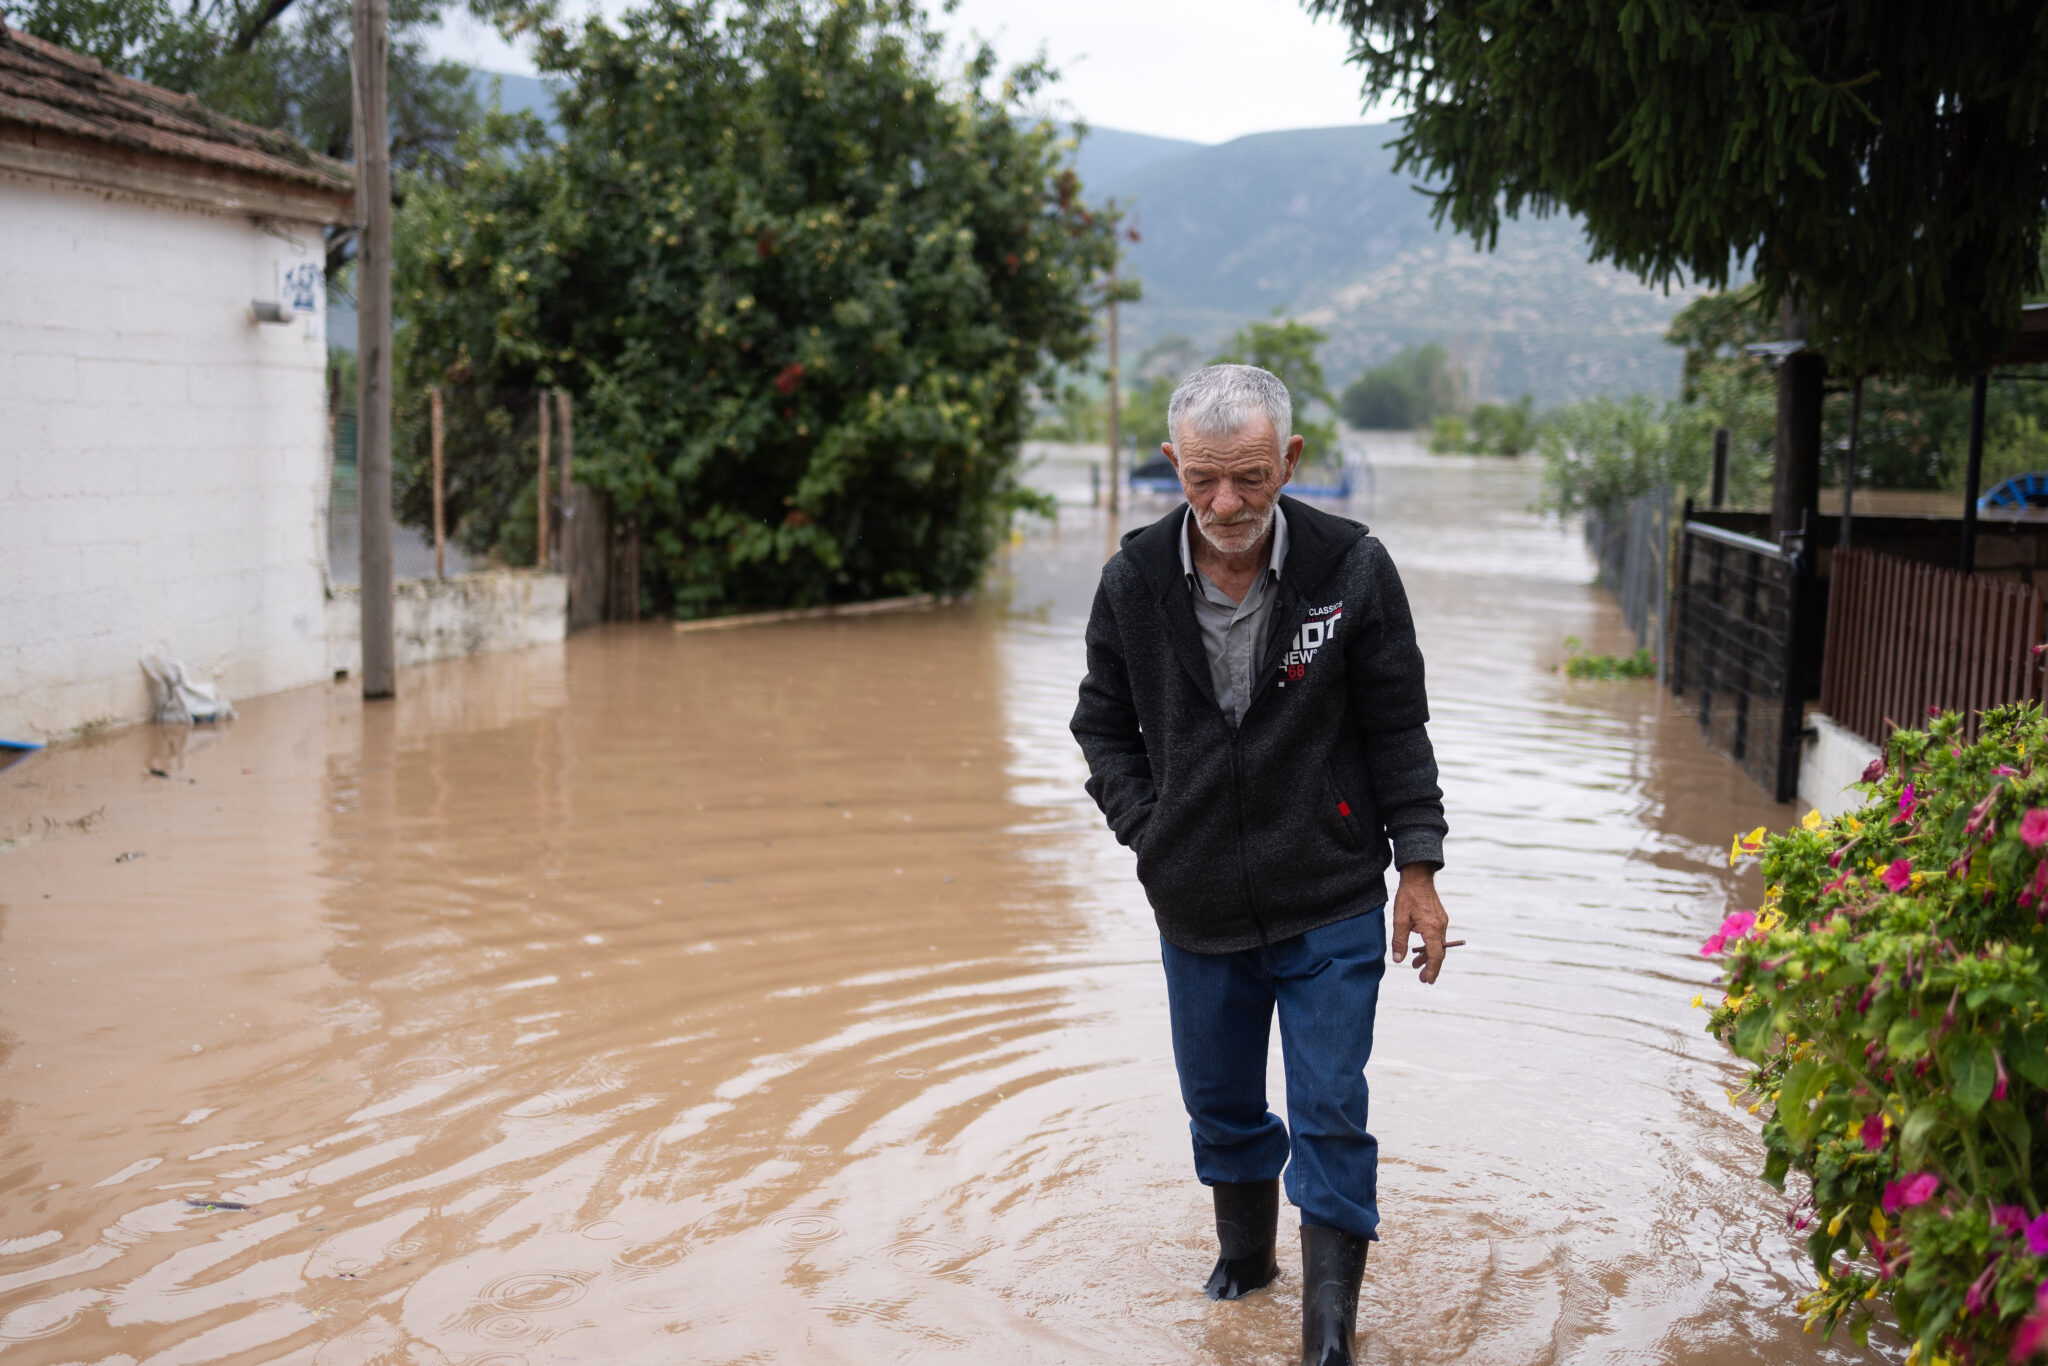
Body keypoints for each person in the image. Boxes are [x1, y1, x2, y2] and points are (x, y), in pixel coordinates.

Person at [1069, 364, 1450, 1366]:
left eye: (1248, 477)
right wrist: (1152, 829)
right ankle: (1244, 1271)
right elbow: (1098, 725)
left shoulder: (1351, 567)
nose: (1225, 504)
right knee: (1221, 1105)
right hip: (1195, 906)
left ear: (1289, 461)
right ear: (1172, 467)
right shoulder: (1133, 580)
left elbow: (1395, 727)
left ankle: (1327, 1338)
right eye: (1201, 480)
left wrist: (1416, 867)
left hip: (1327, 895)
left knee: (1330, 1105)